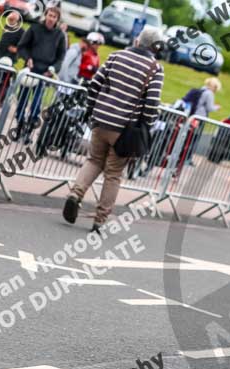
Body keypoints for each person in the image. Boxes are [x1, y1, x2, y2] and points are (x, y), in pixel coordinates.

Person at [62, 27, 165, 233]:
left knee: (93, 160)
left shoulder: (116, 56)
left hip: (101, 120)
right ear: (155, 46)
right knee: (113, 174)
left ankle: (75, 194)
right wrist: (147, 124)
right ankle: (99, 220)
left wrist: (92, 109)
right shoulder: (155, 68)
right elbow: (152, 102)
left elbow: (95, 85)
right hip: (124, 128)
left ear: (138, 41)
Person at [14, 5, 67, 141]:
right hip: (30, 70)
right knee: (22, 101)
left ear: (57, 20)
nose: (51, 18)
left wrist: (53, 69)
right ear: (45, 15)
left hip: (45, 74)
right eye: (49, 15)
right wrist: (28, 59)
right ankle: (19, 128)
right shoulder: (34, 28)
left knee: (36, 104)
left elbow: (60, 57)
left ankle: (28, 132)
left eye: (54, 17)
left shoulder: (60, 35)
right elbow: (22, 46)